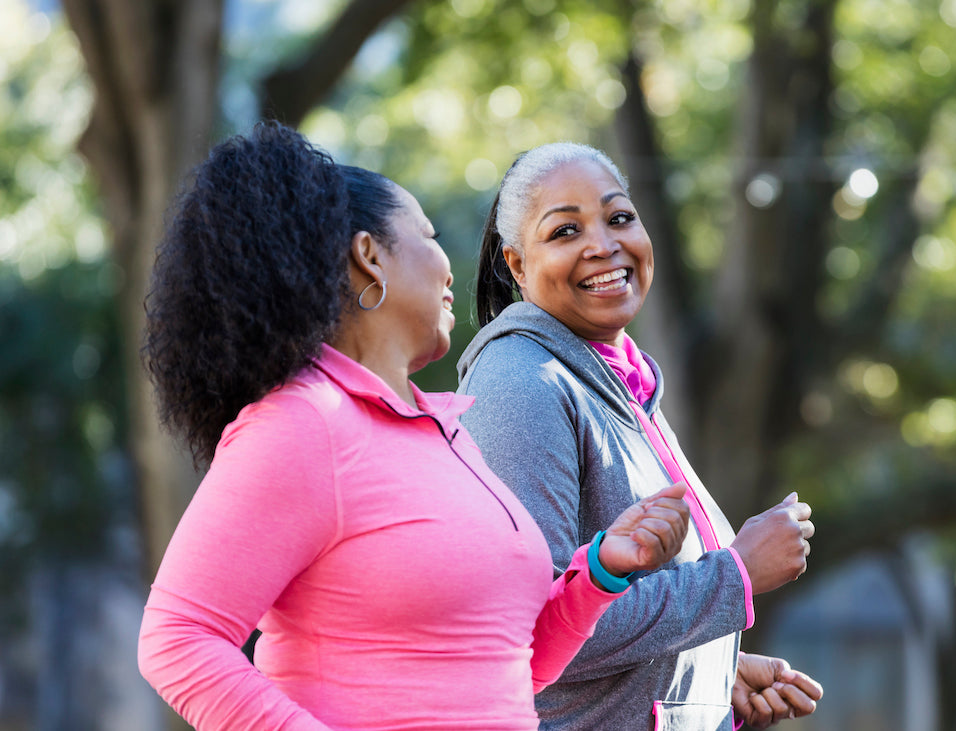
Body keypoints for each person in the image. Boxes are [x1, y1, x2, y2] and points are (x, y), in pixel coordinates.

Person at [135, 123, 691, 731]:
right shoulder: (303, 423)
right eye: (428, 237)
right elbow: (178, 638)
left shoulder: (446, 432)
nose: (450, 270)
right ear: (370, 256)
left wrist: (601, 571)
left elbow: (508, 665)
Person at [457, 142, 824, 731]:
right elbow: (536, 628)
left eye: (619, 217)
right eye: (566, 230)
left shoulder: (620, 379)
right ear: (518, 265)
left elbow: (617, 620)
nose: (603, 245)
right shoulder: (522, 382)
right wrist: (735, 576)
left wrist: (708, 673)